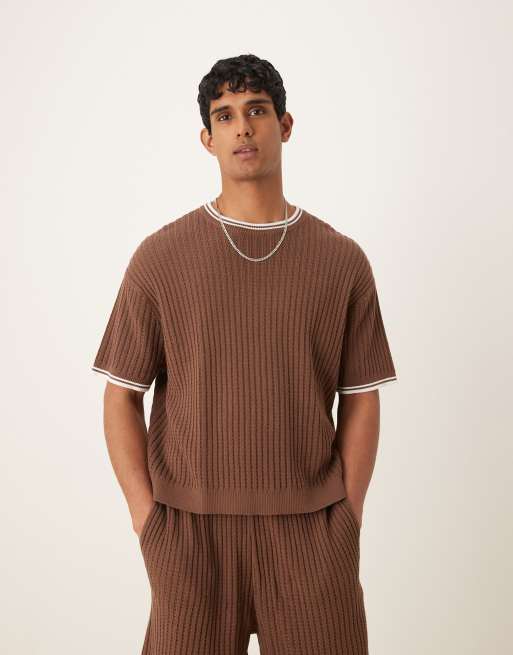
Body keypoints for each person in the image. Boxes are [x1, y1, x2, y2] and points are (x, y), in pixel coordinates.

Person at [91, 53, 398, 655]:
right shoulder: (160, 258)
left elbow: (361, 397)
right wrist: (146, 519)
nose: (242, 128)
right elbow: (121, 395)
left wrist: (349, 513)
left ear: (285, 125)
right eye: (225, 116)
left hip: (312, 530)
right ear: (207, 139)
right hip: (189, 533)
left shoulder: (341, 260)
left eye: (256, 111)